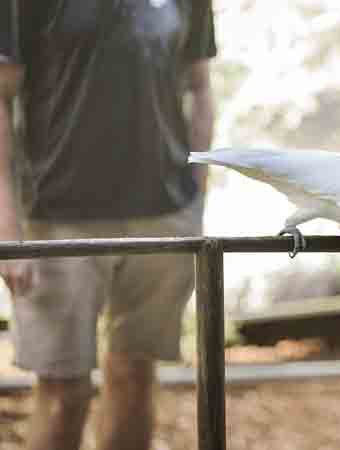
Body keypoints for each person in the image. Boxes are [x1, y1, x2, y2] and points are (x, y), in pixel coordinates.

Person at [0, 1, 216, 449]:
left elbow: (199, 85)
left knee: (135, 375)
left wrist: (197, 191)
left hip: (163, 216)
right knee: (64, 393)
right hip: (55, 221)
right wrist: (6, 225)